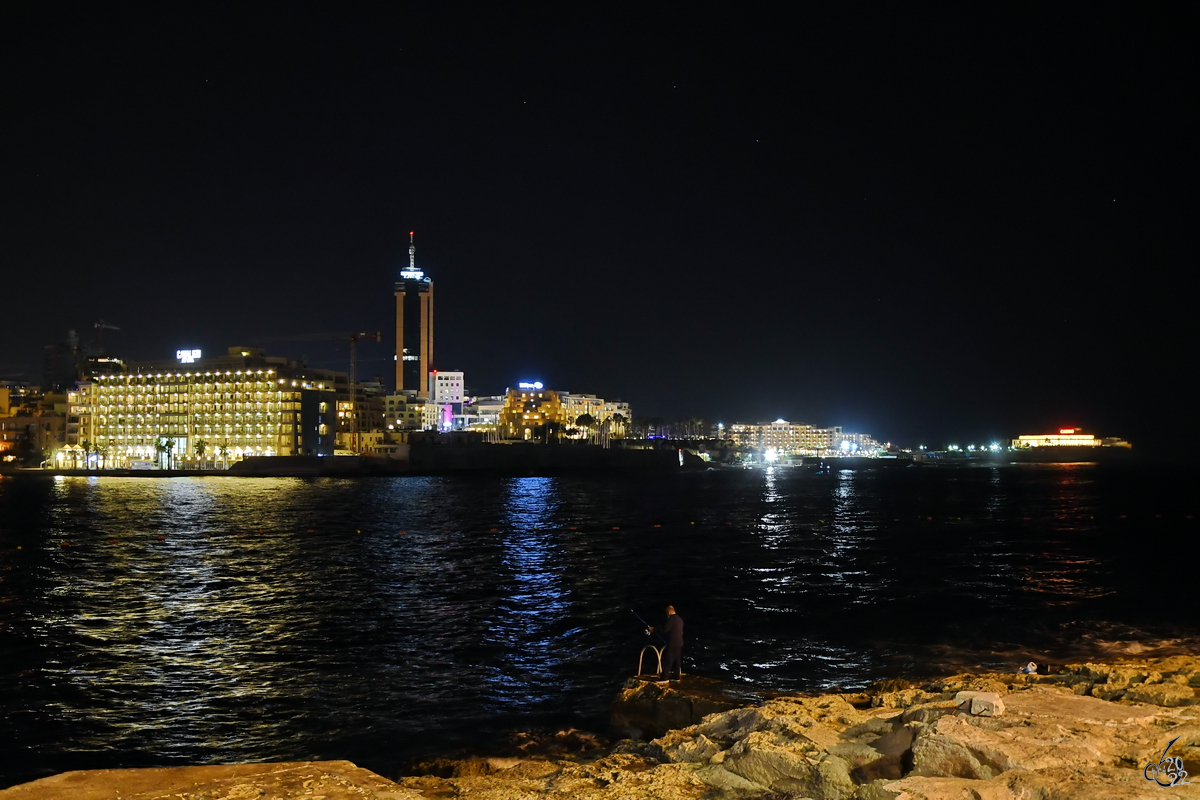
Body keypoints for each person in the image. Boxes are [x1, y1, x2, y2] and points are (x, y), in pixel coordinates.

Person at [649, 605, 684, 680]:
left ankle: (664, 678)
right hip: (679, 642)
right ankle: (677, 676)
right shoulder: (679, 619)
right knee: (677, 660)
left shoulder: (671, 619)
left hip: (672, 643)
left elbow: (665, 629)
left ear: (668, 611)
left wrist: (654, 629)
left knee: (668, 660)